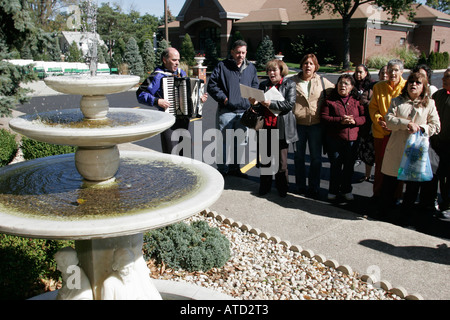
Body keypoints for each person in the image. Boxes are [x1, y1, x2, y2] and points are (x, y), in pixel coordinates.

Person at [380, 72, 440, 226]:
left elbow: (436, 126)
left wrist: (420, 127)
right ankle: (384, 214)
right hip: (396, 149)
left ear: (423, 87)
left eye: (418, 83)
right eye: (411, 82)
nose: (413, 85)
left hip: (415, 152)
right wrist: (405, 124)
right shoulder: (396, 102)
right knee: (389, 185)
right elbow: (389, 120)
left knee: (412, 188)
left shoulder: (429, 104)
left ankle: (405, 218)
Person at [137, 47, 207, 155]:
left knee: (185, 154)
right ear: (165, 60)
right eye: (174, 60)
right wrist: (156, 101)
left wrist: (199, 99)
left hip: (184, 121)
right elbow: (140, 94)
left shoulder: (182, 73)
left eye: (178, 60)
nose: (177, 63)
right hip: (168, 122)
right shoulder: (157, 76)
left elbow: (190, 93)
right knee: (171, 155)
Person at [207, 40, 259, 177]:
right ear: (232, 52)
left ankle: (235, 168)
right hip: (226, 112)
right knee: (223, 143)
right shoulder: (222, 66)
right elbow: (212, 86)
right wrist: (224, 100)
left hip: (244, 113)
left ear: (246, 52)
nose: (240, 55)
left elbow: (255, 86)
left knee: (240, 143)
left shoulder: (251, 68)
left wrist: (253, 102)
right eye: (238, 52)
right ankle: (222, 170)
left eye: (243, 52)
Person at [248, 59, 298, 197]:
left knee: (281, 164)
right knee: (265, 161)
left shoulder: (289, 84)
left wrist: (271, 103)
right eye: (269, 70)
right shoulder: (264, 85)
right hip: (266, 127)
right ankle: (265, 188)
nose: (271, 73)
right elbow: (258, 108)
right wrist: (254, 103)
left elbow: (289, 105)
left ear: (281, 71)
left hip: (281, 128)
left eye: (274, 70)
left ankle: (282, 190)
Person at [292, 53, 334, 199]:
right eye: (305, 63)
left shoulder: (323, 82)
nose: (308, 66)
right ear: (301, 65)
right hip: (298, 125)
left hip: (316, 125)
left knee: (316, 158)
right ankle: (300, 186)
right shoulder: (292, 81)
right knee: (298, 157)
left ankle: (314, 187)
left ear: (315, 66)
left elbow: (339, 92)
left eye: (311, 63)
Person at [321, 74, 366, 201]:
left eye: (346, 83)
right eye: (340, 83)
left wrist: (354, 121)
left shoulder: (357, 101)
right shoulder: (330, 100)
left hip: (352, 139)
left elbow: (364, 118)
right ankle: (333, 190)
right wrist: (340, 120)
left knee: (348, 167)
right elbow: (324, 117)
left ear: (352, 87)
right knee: (335, 166)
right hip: (334, 139)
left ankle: (346, 190)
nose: (343, 86)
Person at [369, 59, 407, 202]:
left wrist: (394, 124)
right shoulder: (379, 87)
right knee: (380, 165)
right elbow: (373, 107)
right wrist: (380, 120)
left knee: (398, 166)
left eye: (396, 70)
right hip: (381, 132)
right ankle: (377, 194)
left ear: (401, 72)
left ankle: (396, 195)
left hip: (398, 133)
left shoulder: (406, 87)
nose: (393, 73)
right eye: (390, 70)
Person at [357, 66, 388, 182]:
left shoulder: (391, 89)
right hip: (370, 125)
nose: (384, 75)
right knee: (369, 153)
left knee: (383, 155)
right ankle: (367, 175)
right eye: (382, 73)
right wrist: (376, 104)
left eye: (386, 73)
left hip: (386, 126)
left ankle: (380, 177)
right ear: (379, 75)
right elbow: (363, 99)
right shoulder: (372, 86)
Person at [430, 68, 450, 220]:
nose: (444, 79)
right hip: (436, 143)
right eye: (444, 76)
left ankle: (447, 205)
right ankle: (435, 202)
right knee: (436, 175)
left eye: (447, 77)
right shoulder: (438, 95)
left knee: (448, 178)